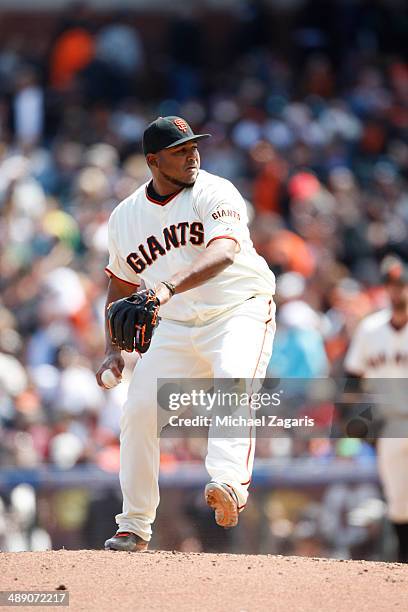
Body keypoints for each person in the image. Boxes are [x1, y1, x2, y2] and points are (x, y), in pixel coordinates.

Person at [96, 116, 276, 552]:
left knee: (233, 375)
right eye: (180, 150)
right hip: (176, 323)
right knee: (138, 410)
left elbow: (225, 250)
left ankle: (229, 483)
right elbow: (120, 285)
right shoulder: (126, 217)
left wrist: (166, 287)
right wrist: (112, 350)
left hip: (239, 308)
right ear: (153, 161)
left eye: (194, 146)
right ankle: (134, 524)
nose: (192, 154)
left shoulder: (214, 191)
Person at [344, 255, 408, 563]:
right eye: (393, 286)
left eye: (403, 285)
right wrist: (353, 422)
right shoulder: (370, 329)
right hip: (391, 423)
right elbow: (352, 381)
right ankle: (402, 566)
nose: (399, 292)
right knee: (398, 501)